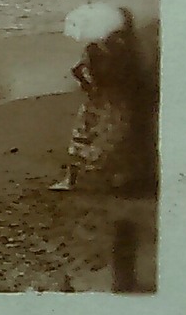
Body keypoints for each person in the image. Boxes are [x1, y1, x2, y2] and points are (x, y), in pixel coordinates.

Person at [51, 13, 153, 193]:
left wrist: (87, 85)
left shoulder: (93, 48)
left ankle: (70, 179)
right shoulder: (128, 50)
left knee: (82, 135)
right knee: (115, 137)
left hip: (96, 98)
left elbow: (77, 70)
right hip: (118, 101)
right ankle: (117, 176)